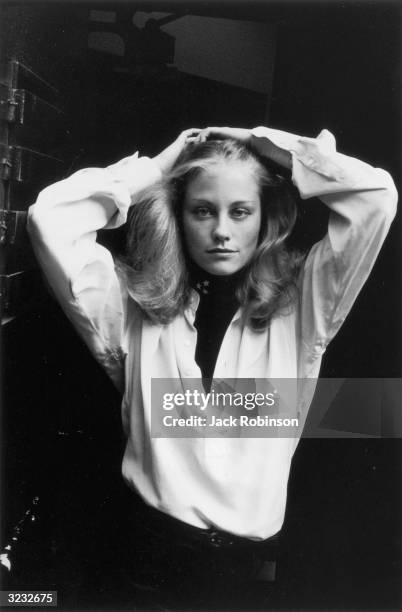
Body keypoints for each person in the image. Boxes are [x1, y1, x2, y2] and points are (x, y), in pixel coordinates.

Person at [27, 125, 397, 608]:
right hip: (144, 562)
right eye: (203, 210)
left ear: (264, 220)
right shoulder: (135, 311)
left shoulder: (302, 308)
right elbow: (48, 219)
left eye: (240, 211)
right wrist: (153, 171)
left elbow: (377, 198)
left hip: (242, 577)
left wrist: (270, 147)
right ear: (178, 217)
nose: (221, 230)